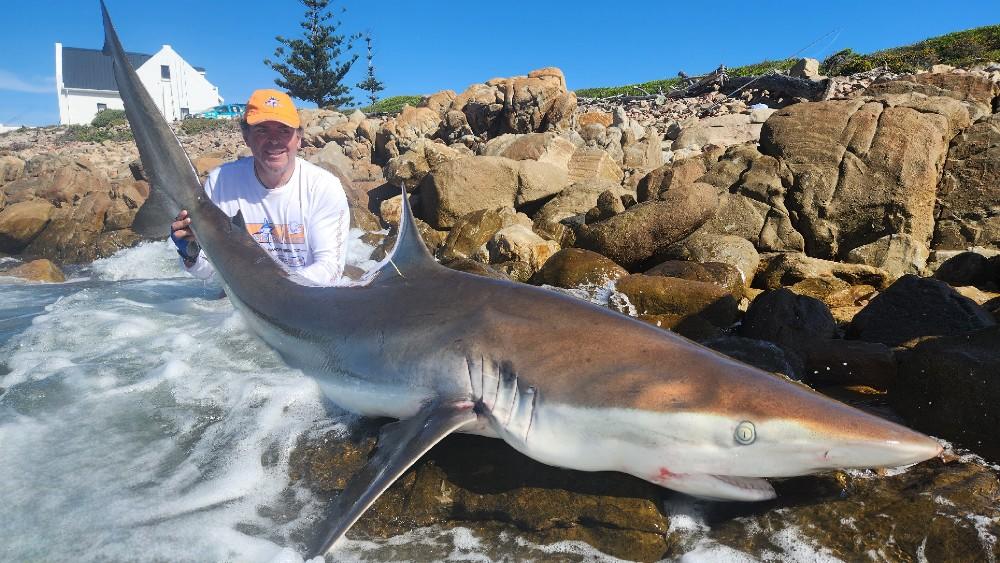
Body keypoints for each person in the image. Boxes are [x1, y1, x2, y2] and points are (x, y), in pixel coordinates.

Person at [170, 89, 351, 286]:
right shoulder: (221, 182)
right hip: (242, 294)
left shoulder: (323, 187)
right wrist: (190, 253)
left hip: (304, 295)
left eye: (284, 130)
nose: (274, 140)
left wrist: (273, 287)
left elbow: (330, 269)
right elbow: (208, 271)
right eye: (262, 130)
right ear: (246, 137)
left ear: (299, 138)